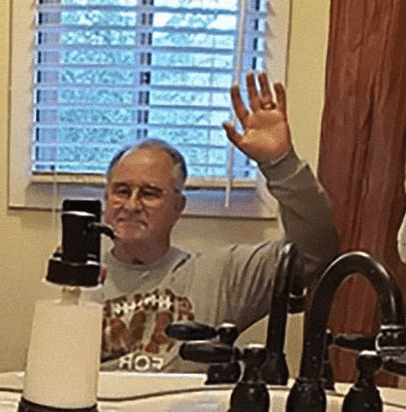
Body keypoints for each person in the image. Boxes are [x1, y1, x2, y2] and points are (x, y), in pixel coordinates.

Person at [100, 71, 339, 372]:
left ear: (178, 206)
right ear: (106, 199)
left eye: (150, 193)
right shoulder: (77, 278)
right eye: (122, 191)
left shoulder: (220, 275)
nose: (132, 205)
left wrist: (281, 164)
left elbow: (314, 250)